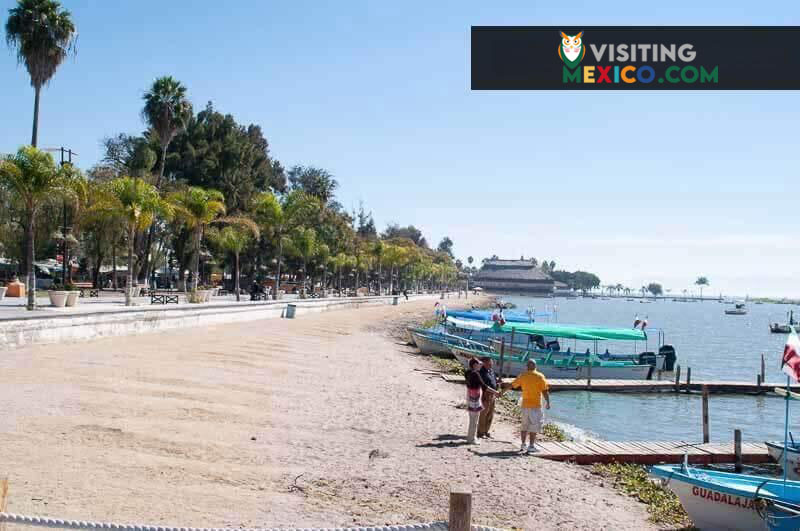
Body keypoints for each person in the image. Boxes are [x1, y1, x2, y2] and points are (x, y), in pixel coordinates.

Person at [501, 359, 550, 453]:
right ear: (535, 366)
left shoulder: (522, 376)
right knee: (534, 426)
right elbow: (544, 391)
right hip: (535, 405)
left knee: (524, 425)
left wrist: (502, 392)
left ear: (527, 367)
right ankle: (531, 446)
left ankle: (523, 444)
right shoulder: (540, 376)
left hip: (525, 405)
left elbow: (511, 385)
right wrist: (548, 402)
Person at [465, 358, 498, 444]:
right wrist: (496, 392)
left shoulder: (468, 372)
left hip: (471, 396)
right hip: (476, 397)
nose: (480, 365)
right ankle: (472, 438)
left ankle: (473, 436)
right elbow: (484, 386)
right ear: (474, 365)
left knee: (474, 418)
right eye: (479, 364)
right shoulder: (476, 373)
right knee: (475, 419)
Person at [477, 356, 500, 438]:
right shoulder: (481, 372)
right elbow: (484, 386)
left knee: (490, 414)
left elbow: (494, 381)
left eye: (491, 362)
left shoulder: (491, 371)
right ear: (484, 363)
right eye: (490, 362)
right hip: (485, 395)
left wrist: (498, 383)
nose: (491, 364)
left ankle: (486, 431)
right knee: (484, 414)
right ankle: (481, 432)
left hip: (492, 395)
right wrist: (495, 391)